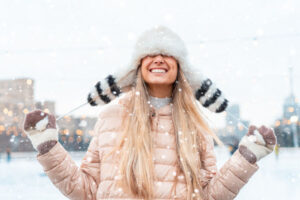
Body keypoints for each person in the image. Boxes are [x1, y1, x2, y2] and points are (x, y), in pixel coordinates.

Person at [23, 26, 276, 200]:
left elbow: (208, 195)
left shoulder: (195, 126)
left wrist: (245, 158)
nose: (158, 59)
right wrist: (48, 148)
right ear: (138, 65)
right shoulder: (111, 118)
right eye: (150, 54)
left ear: (180, 67)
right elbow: (86, 191)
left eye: (167, 54)